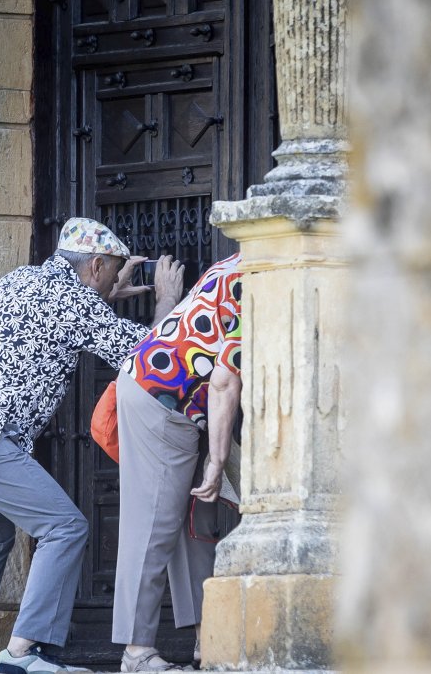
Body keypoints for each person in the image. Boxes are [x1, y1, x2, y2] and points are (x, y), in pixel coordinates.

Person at [0, 217, 184, 674]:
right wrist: (167, 300)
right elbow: (149, 359)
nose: (114, 281)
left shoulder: (20, 278)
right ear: (95, 266)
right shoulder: (74, 300)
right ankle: (25, 652)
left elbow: (57, 321)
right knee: (64, 527)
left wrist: (101, 298)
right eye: (112, 272)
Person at [111, 253, 244, 671]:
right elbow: (223, 380)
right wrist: (217, 460)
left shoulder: (241, 261)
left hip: (179, 399)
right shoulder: (258, 278)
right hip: (162, 396)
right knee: (153, 525)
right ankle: (136, 651)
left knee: (192, 522)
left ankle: (207, 640)